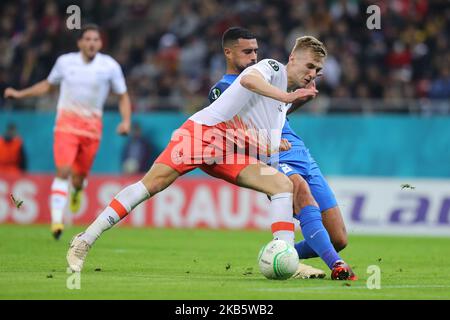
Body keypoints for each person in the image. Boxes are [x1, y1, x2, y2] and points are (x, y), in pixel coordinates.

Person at [67, 35, 355, 280]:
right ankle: (85, 239)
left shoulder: (280, 107)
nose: (312, 74)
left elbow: (261, 141)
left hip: (229, 149)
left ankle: (285, 257)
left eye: (317, 70)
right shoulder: (270, 68)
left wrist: (272, 143)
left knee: (281, 185)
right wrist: (287, 97)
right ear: (293, 58)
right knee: (150, 186)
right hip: (200, 136)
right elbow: (250, 81)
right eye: (309, 66)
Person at [208, 27, 334, 279]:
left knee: (338, 237)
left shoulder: (268, 80)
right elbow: (231, 134)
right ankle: (331, 264)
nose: (254, 56)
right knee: (300, 192)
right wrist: (267, 144)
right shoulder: (223, 89)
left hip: (297, 151)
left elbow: (275, 116)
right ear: (228, 53)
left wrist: (296, 101)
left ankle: (282, 256)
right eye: (247, 51)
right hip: (273, 156)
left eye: (256, 51)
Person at [4, 24, 131, 240]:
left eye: (96, 40)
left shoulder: (109, 66)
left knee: (78, 178)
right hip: (66, 126)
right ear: (80, 42)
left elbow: (123, 96)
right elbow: (48, 85)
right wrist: (20, 94)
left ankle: (77, 190)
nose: (92, 43)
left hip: (91, 130)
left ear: (100, 43)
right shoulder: (65, 62)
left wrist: (126, 121)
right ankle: (56, 221)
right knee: (63, 170)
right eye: (88, 39)